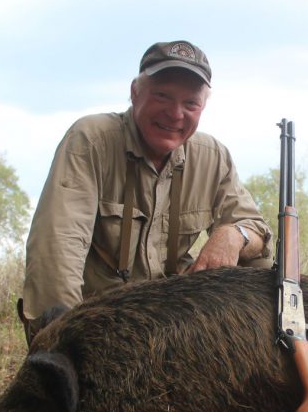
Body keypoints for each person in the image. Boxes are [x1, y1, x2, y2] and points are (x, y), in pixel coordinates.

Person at [20, 40, 271, 341]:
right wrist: (65, 343)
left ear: (202, 107)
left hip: (173, 326)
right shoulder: (91, 140)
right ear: (135, 92)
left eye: (190, 103)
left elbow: (258, 235)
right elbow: (57, 252)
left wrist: (234, 235)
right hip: (96, 324)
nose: (175, 113)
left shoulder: (213, 156)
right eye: (162, 96)